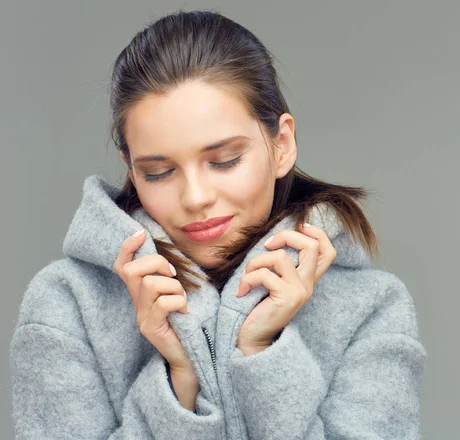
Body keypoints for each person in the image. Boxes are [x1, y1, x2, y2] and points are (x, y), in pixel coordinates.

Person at [9, 9, 427, 440]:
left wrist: (265, 355)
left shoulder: (371, 308)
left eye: (224, 161)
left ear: (281, 145)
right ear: (132, 171)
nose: (195, 197)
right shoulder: (67, 307)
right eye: (157, 172)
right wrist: (177, 385)